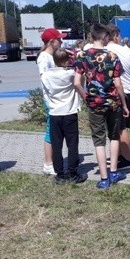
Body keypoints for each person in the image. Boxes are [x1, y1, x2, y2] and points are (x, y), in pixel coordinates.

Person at [74, 24, 129, 190]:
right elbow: (118, 84)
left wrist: (86, 98)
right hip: (112, 102)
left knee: (98, 140)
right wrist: (124, 104)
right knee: (114, 136)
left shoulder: (82, 56)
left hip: (94, 103)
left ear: (91, 37)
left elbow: (77, 82)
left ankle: (104, 178)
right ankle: (113, 171)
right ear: (105, 37)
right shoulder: (113, 56)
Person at [40, 48, 86, 184]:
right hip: (69, 112)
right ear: (67, 61)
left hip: (54, 112)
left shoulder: (46, 76)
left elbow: (46, 92)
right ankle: (73, 172)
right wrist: (76, 58)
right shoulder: (71, 74)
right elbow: (81, 79)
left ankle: (59, 173)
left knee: (56, 145)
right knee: (72, 144)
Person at [105, 25, 130, 169]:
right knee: (121, 127)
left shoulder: (107, 51)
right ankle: (118, 155)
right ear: (117, 36)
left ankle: (126, 158)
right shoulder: (128, 50)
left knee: (119, 127)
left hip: (119, 92)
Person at [37, 28, 65, 175]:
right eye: (59, 39)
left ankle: (52, 161)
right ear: (51, 41)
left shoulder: (52, 56)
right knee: (50, 131)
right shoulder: (44, 58)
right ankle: (48, 164)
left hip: (56, 99)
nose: (61, 41)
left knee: (55, 131)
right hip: (50, 100)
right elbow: (45, 79)